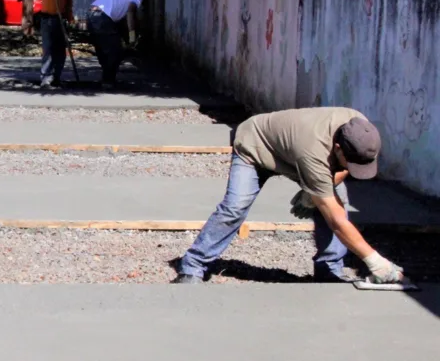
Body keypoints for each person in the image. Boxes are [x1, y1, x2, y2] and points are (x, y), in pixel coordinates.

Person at [173, 107, 405, 285]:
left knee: (338, 201)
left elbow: (343, 168)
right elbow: (336, 221)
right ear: (337, 148)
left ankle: (329, 271)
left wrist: (311, 191)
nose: (355, 170)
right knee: (235, 207)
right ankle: (192, 265)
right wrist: (375, 261)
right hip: (255, 146)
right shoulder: (313, 150)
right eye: (351, 161)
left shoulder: (358, 128)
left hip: (295, 152)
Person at [30, 0, 76, 88]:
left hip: (61, 21)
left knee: (60, 51)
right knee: (48, 49)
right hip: (48, 19)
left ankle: (56, 77)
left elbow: (68, 7)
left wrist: (71, 21)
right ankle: (46, 79)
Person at [88, 0, 142, 86]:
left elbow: (118, 14)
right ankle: (108, 81)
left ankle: (106, 79)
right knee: (115, 51)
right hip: (102, 18)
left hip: (91, 15)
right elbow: (130, 12)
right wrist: (132, 37)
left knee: (103, 49)